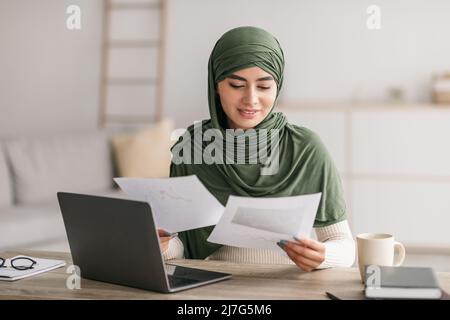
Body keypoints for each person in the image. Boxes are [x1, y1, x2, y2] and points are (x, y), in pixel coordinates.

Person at [159, 26, 355, 272]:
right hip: (215, 288)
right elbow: (182, 248)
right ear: (216, 85)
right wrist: (162, 245)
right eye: (236, 85)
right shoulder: (191, 147)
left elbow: (344, 246)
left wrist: (324, 256)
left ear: (277, 86)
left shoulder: (305, 148)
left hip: (289, 287)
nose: (251, 99)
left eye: (263, 87)